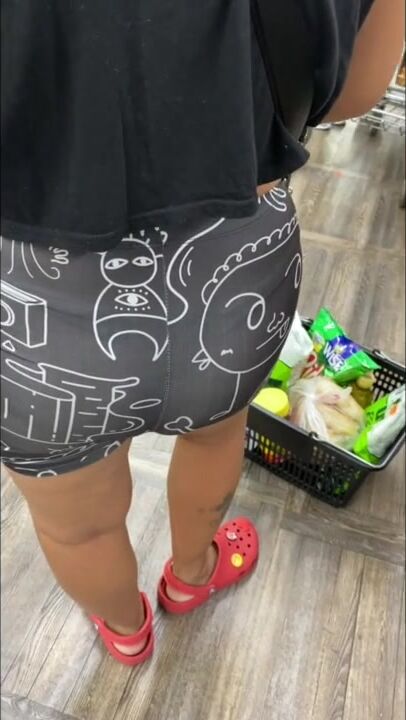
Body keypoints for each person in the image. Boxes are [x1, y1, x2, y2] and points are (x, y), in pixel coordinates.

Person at [1, 0, 404, 666]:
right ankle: (193, 574)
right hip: (232, 267)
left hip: (31, 302)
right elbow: (358, 91)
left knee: (77, 528)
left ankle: (126, 629)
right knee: (217, 434)